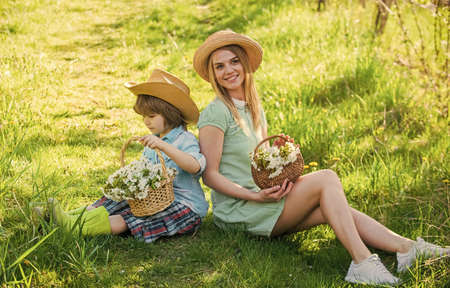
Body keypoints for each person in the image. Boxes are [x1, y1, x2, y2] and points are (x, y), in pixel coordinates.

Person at [193, 30, 449, 285]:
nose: (228, 70)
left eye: (234, 61)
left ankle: (407, 248)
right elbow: (210, 175)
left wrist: (283, 179)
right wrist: (255, 195)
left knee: (334, 209)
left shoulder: (253, 106)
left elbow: (262, 161)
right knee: (327, 178)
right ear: (213, 74)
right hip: (240, 210)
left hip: (265, 197)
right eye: (219, 66)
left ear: (245, 63)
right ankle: (362, 262)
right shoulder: (216, 113)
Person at [44, 68, 209, 243]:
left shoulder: (185, 139)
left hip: (184, 207)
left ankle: (74, 227)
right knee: (115, 200)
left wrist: (164, 146)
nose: (146, 121)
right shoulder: (153, 140)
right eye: (144, 116)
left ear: (170, 113)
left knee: (133, 218)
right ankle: (64, 217)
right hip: (154, 199)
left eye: (152, 116)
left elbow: (194, 166)